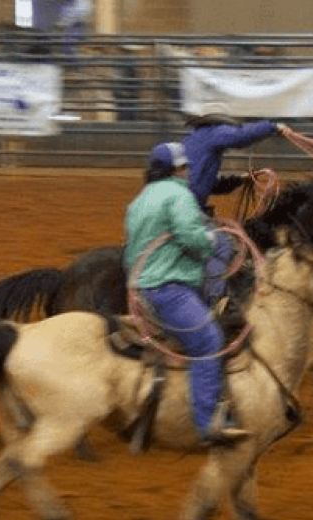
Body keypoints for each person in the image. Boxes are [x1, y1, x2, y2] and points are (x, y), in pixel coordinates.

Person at [124, 141, 249, 448]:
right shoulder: (179, 195)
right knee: (208, 340)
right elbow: (192, 239)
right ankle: (209, 425)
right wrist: (211, 238)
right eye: (185, 167)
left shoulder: (140, 199)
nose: (188, 171)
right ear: (177, 169)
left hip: (142, 285)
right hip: (169, 289)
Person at [182, 102, 290, 305]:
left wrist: (238, 180)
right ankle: (218, 300)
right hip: (188, 209)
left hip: (185, 205)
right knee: (223, 246)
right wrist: (272, 127)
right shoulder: (211, 132)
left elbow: (207, 184)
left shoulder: (194, 139)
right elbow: (240, 136)